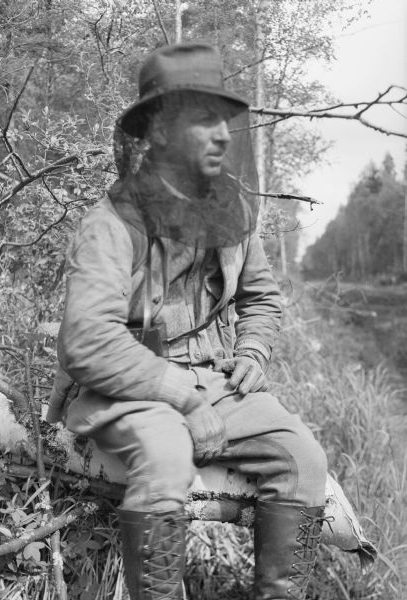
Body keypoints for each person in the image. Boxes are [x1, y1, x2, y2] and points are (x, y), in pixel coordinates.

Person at [47, 42, 328, 600]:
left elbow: (263, 298)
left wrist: (252, 352)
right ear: (159, 130)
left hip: (218, 381)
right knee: (165, 460)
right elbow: (87, 340)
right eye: (204, 120)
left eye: (225, 119)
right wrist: (183, 396)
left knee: (304, 459)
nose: (223, 133)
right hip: (127, 386)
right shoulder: (110, 224)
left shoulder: (235, 211)